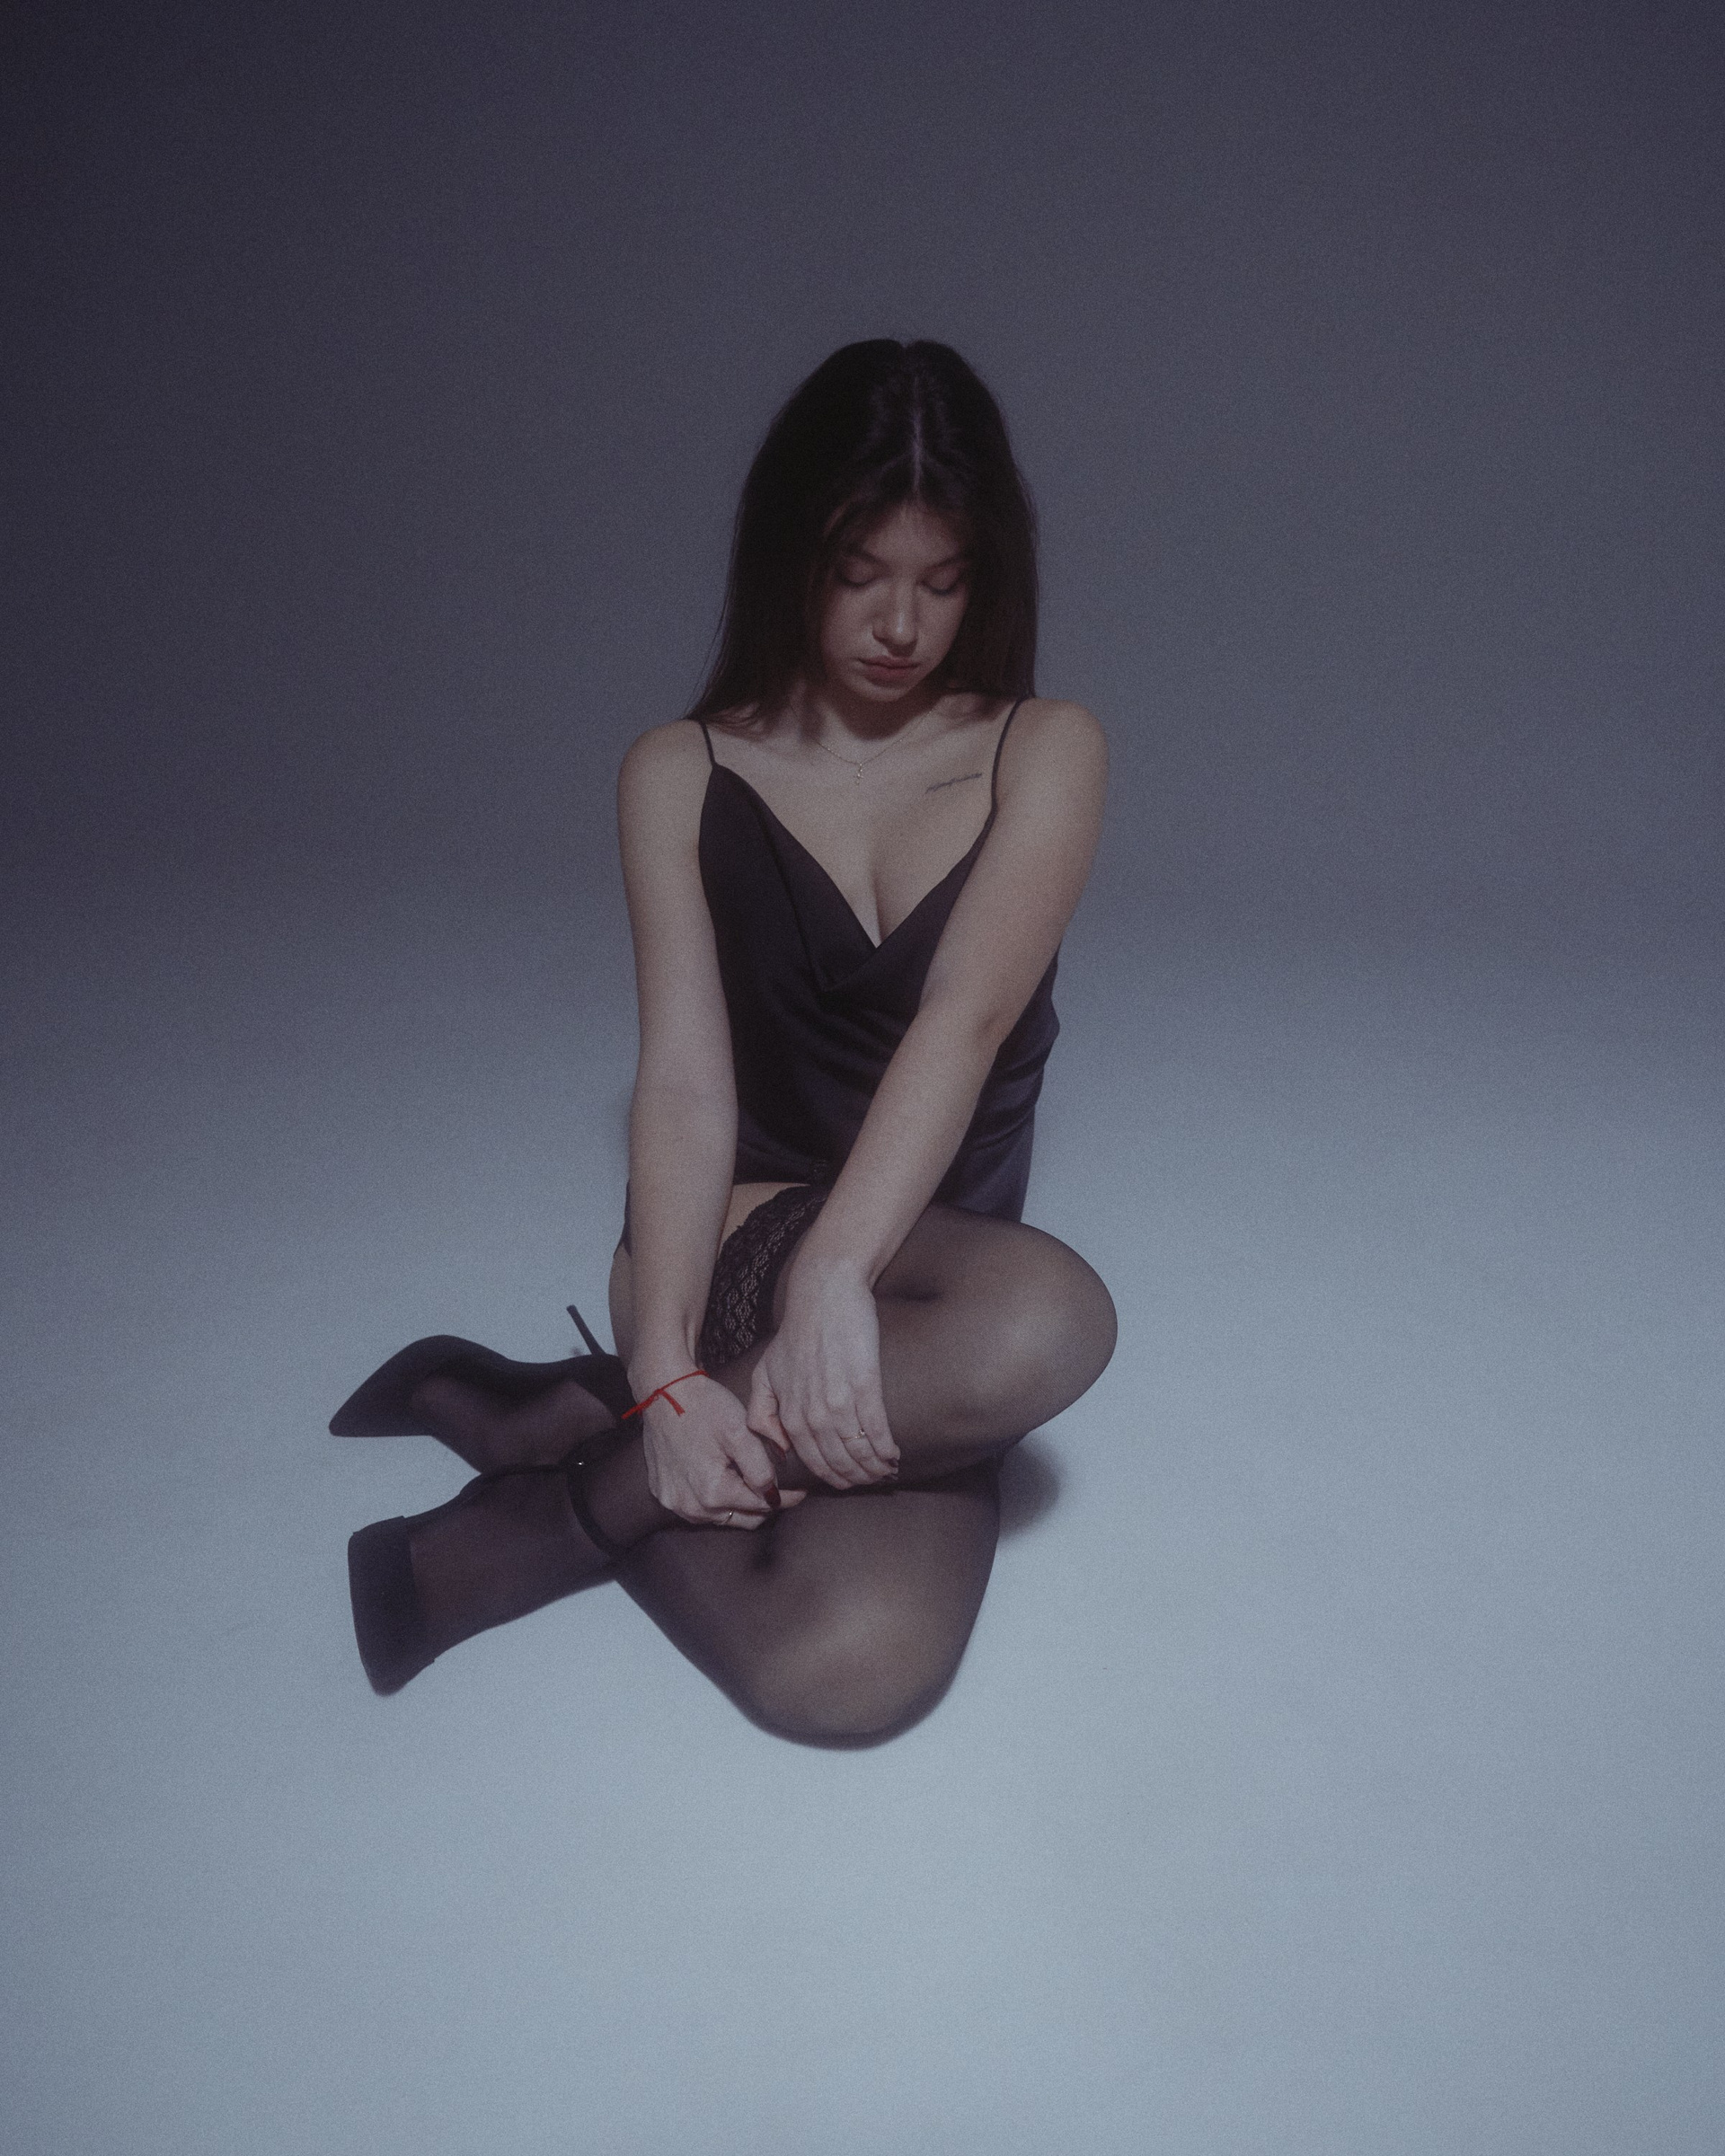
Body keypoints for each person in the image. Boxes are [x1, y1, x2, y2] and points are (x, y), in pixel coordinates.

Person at [333, 339, 1117, 1745]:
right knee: (1053, 1323)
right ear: (790, 556)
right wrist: (670, 1362)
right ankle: (591, 1462)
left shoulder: (1044, 749)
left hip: (922, 1294)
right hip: (734, 1241)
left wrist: (840, 1277)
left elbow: (964, 1023)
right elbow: (688, 1087)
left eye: (943, 582)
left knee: (850, 1671)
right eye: (859, 573)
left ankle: (566, 1460)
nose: (901, 624)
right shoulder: (680, 770)